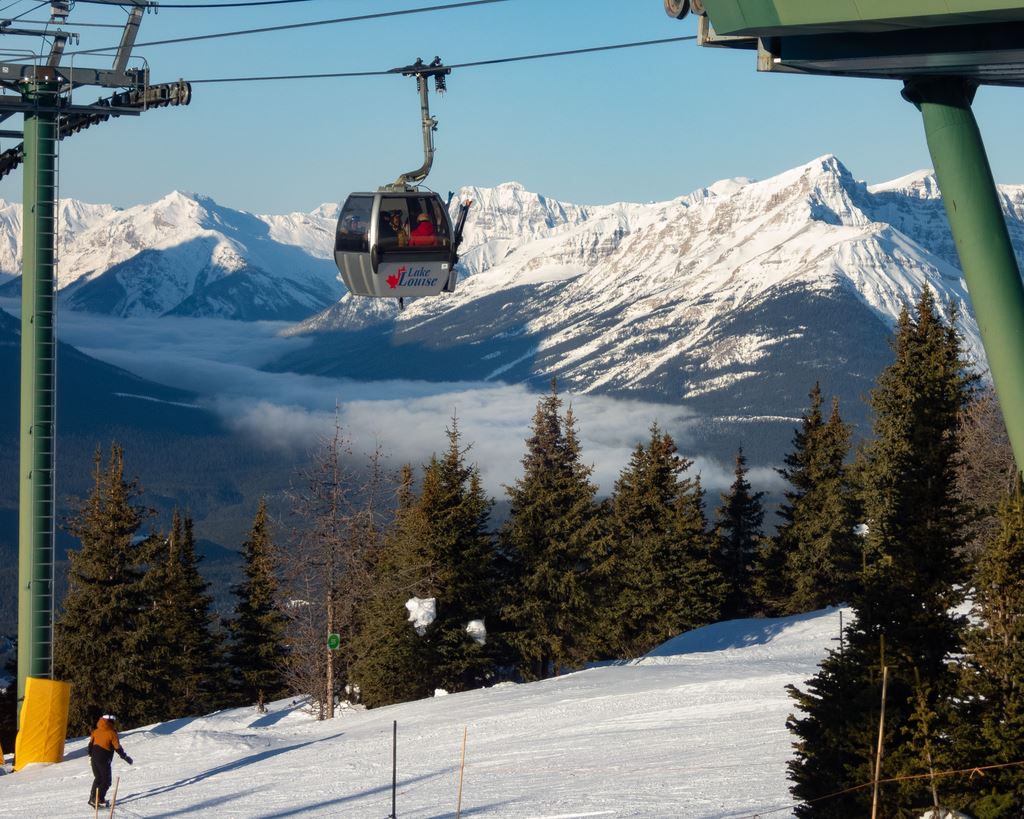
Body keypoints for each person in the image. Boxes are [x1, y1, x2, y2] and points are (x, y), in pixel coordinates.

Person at [87, 714, 132, 808]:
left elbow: (90, 745)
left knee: (98, 778)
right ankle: (98, 800)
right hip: (104, 758)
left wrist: (91, 756)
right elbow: (117, 747)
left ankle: (93, 798)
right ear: (111, 722)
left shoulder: (95, 731)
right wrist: (125, 757)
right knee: (106, 781)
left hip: (94, 758)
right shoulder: (112, 733)